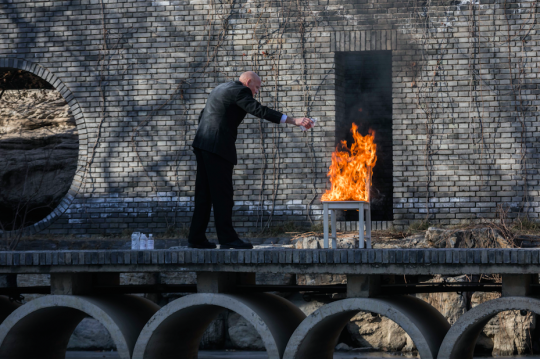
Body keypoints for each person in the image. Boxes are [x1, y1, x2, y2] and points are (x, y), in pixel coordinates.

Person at [188, 71, 313, 249]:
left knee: (204, 195)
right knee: (223, 195)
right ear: (248, 82)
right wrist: (295, 120)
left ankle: (196, 238)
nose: (256, 92)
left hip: (202, 144)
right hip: (217, 148)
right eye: (256, 87)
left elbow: (203, 115)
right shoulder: (241, 91)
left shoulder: (221, 88)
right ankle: (227, 239)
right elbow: (259, 110)